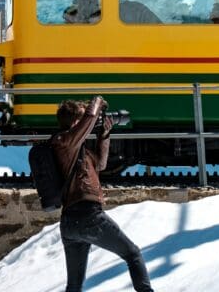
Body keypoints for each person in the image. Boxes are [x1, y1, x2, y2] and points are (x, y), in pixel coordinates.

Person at [52, 96, 153, 292]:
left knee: (74, 285)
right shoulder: (63, 141)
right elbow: (89, 117)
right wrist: (97, 102)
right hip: (88, 216)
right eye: (82, 121)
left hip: (70, 224)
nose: (88, 125)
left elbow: (101, 164)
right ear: (74, 123)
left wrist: (104, 134)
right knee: (133, 254)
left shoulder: (75, 149)